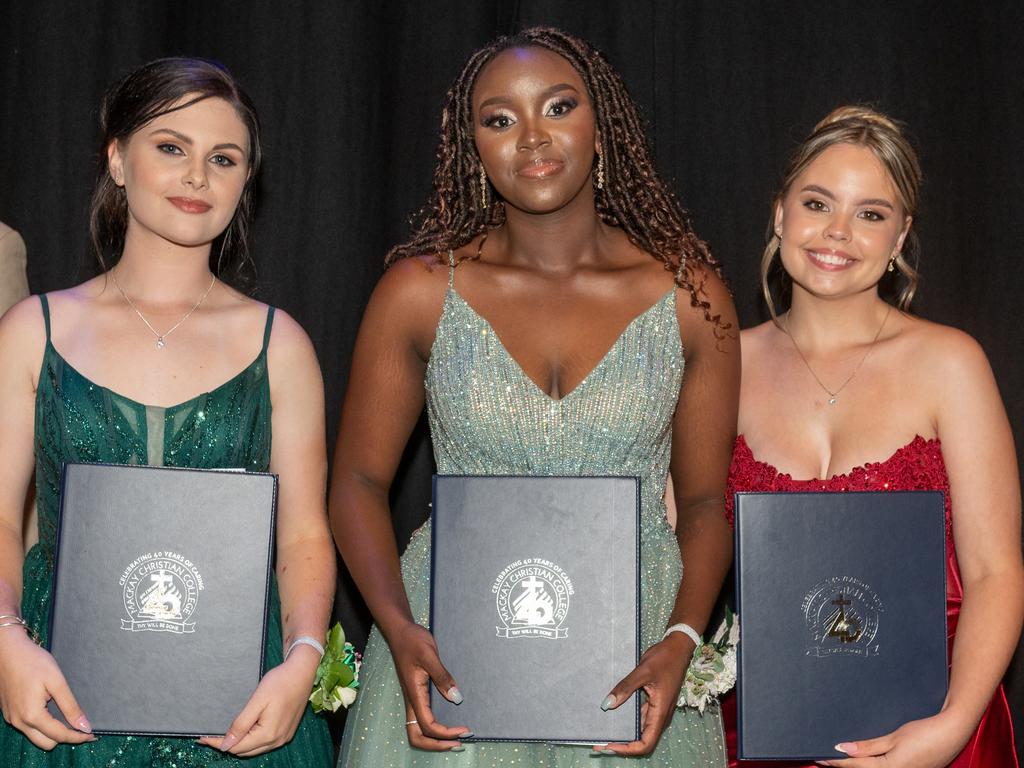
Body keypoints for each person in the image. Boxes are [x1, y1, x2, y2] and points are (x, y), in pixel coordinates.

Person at [330, 26, 738, 767]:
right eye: (499, 119)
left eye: (557, 106)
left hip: (634, 646)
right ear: (473, 146)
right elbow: (356, 482)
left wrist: (681, 639)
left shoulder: (688, 293)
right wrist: (398, 627)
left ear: (601, 126)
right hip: (450, 642)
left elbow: (707, 502)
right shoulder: (419, 293)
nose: (531, 137)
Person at [0, 58, 336, 767]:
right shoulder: (35, 330)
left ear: (245, 181)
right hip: (55, 680)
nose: (197, 176)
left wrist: (303, 658)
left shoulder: (281, 345)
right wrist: (5, 642)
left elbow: (304, 534)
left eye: (223, 158)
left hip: (241, 692)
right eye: (171, 147)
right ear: (117, 159)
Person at [722, 106, 1023, 768]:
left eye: (870, 214)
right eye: (817, 203)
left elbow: (995, 572)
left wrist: (950, 729)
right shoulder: (722, 368)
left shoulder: (951, 363)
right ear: (780, 214)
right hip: (760, 733)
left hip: (936, 722)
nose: (838, 232)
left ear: (900, 236)